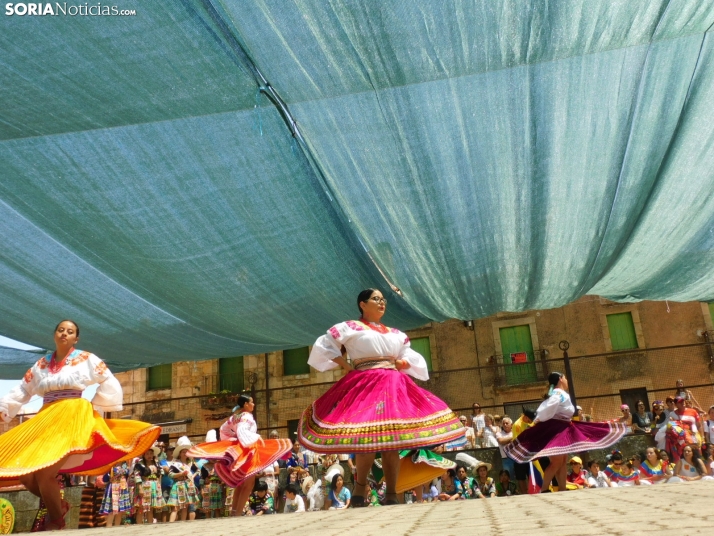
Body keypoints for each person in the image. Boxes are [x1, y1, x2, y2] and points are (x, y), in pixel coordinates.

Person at [298, 288, 464, 507]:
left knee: (391, 443)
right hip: (365, 383)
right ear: (362, 304)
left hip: (393, 385)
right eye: (376, 299)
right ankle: (359, 490)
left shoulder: (396, 333)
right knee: (366, 440)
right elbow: (324, 346)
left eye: (383, 299)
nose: (382, 302)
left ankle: (392, 494)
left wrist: (401, 363)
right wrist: (348, 366)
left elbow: (407, 358)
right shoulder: (350, 327)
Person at [0, 320, 160, 531]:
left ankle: (57, 521)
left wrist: (96, 406)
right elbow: (22, 390)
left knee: (45, 473)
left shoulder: (86, 358)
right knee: (25, 474)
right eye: (61, 330)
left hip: (72, 415)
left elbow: (107, 380)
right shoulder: (41, 364)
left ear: (76, 338)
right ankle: (59, 505)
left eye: (70, 331)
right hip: (46, 416)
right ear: (54, 334)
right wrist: (4, 410)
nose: (64, 333)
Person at [504, 372, 627, 493]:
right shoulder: (558, 393)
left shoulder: (559, 393)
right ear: (561, 379)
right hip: (557, 429)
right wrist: (538, 419)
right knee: (557, 461)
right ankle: (544, 488)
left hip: (563, 427)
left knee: (562, 461)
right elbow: (548, 407)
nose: (567, 380)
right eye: (565, 378)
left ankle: (562, 488)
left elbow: (549, 406)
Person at [187, 394, 291, 516]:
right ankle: (237, 513)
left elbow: (223, 429)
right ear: (245, 404)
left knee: (241, 484)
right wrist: (253, 438)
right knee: (248, 484)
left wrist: (232, 440)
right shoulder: (247, 416)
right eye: (251, 402)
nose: (253, 404)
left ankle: (234, 512)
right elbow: (242, 431)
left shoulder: (234, 417)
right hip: (249, 450)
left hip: (241, 450)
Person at [166, 436, 199, 522]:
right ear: (180, 454)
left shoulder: (191, 463)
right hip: (178, 485)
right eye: (183, 452)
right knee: (175, 508)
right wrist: (180, 474)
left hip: (188, 485)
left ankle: (182, 524)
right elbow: (170, 474)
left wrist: (192, 476)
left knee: (186, 506)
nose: (185, 453)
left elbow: (198, 471)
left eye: (186, 452)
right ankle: (170, 524)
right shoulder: (175, 463)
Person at [133, 444, 166, 524]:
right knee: (142, 507)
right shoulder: (139, 464)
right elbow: (137, 476)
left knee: (151, 507)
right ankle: (139, 526)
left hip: (155, 486)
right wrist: (140, 488)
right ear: (144, 455)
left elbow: (161, 474)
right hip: (144, 486)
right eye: (147, 454)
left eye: (151, 453)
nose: (149, 456)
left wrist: (159, 485)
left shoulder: (156, 464)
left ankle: (150, 526)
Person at [510, 408, 536, 495]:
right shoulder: (517, 425)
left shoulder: (531, 422)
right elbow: (517, 441)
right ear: (525, 417)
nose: (531, 421)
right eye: (530, 419)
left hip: (530, 453)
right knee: (521, 476)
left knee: (531, 473)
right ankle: (524, 493)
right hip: (519, 453)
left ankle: (533, 491)